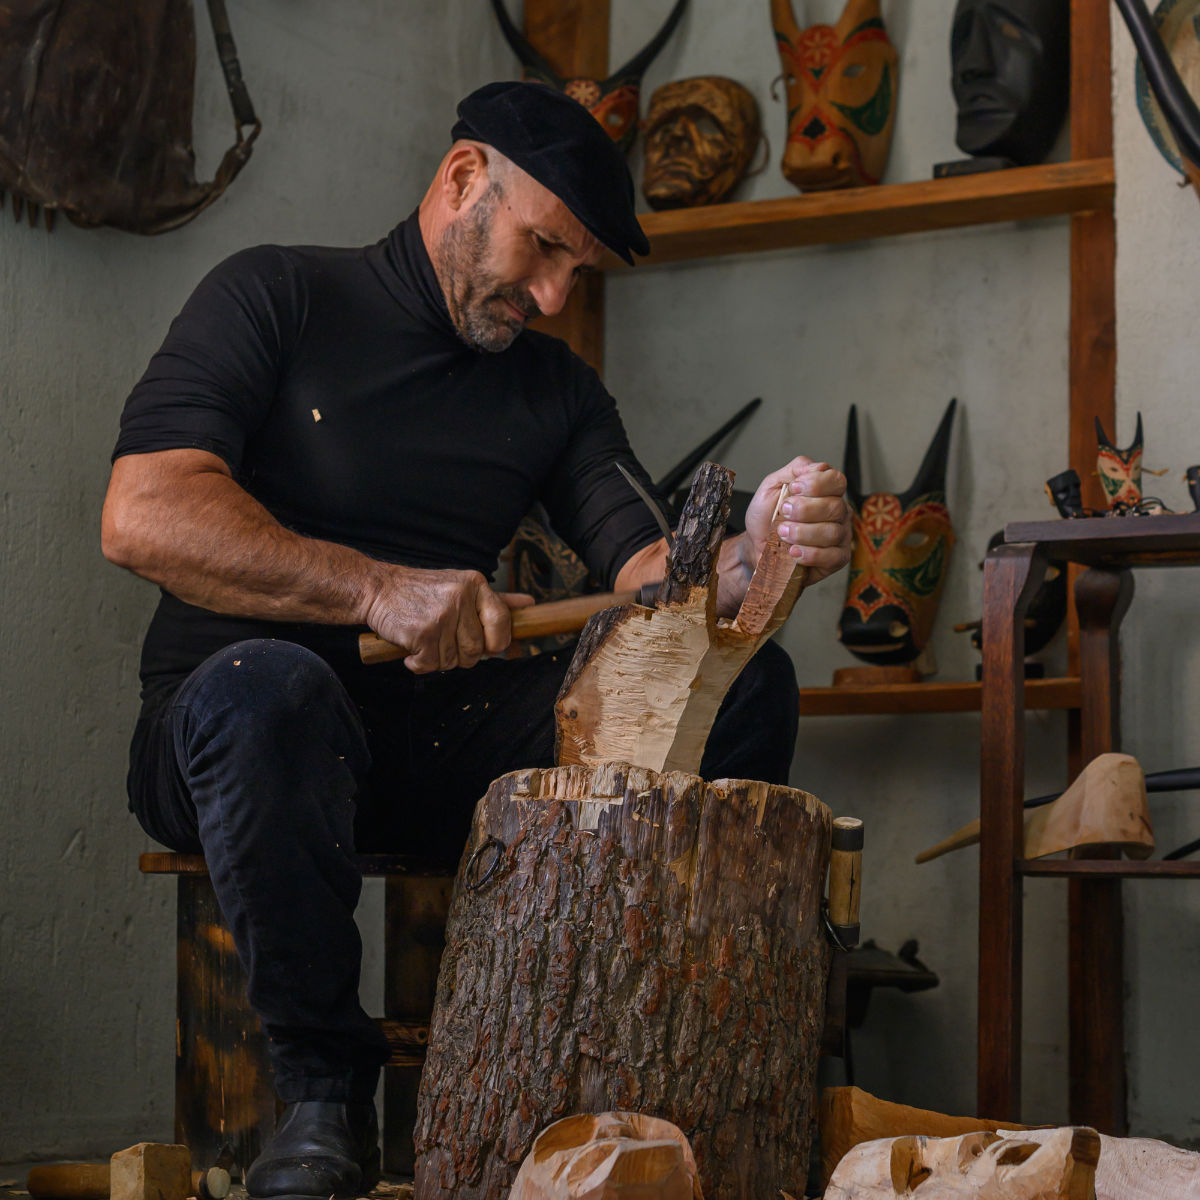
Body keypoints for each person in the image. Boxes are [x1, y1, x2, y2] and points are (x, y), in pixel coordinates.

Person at [101, 82, 852, 1200]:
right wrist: (376, 590)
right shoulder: (275, 295)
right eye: (543, 246)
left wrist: (755, 555)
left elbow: (658, 588)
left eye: (577, 271)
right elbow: (141, 514)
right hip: (227, 739)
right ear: (463, 182)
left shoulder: (553, 391)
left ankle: (645, 1061)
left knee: (749, 685)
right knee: (272, 690)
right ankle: (320, 1092)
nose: (552, 293)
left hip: (434, 746)